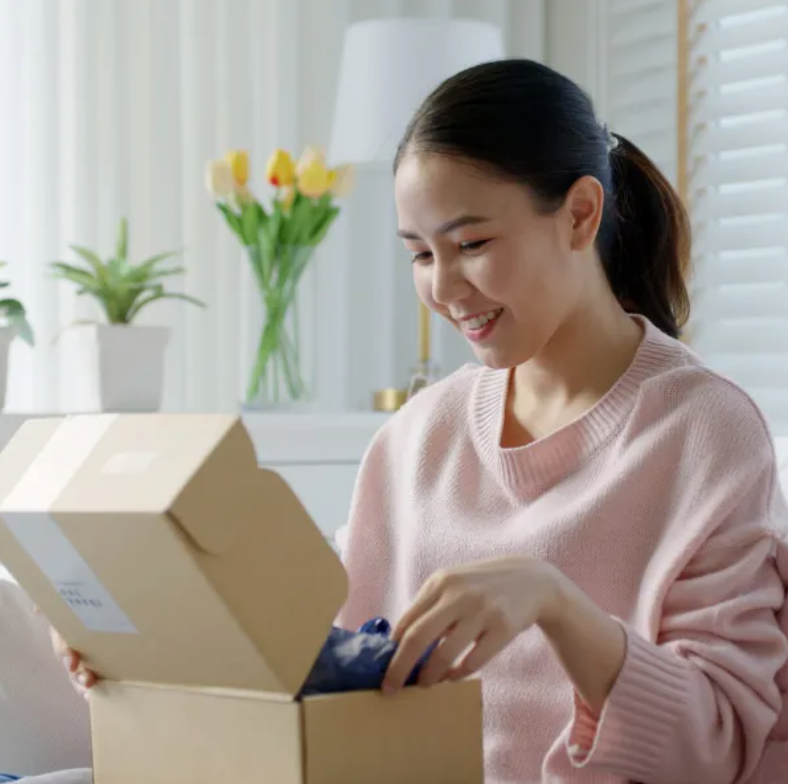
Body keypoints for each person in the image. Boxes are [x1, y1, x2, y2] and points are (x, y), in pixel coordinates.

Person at [55, 59, 787, 784]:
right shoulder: (420, 435)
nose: (442, 288)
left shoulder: (704, 430)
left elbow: (717, 745)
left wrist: (556, 604)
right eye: (419, 254)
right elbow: (320, 659)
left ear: (580, 215)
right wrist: (156, 644)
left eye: (471, 245)